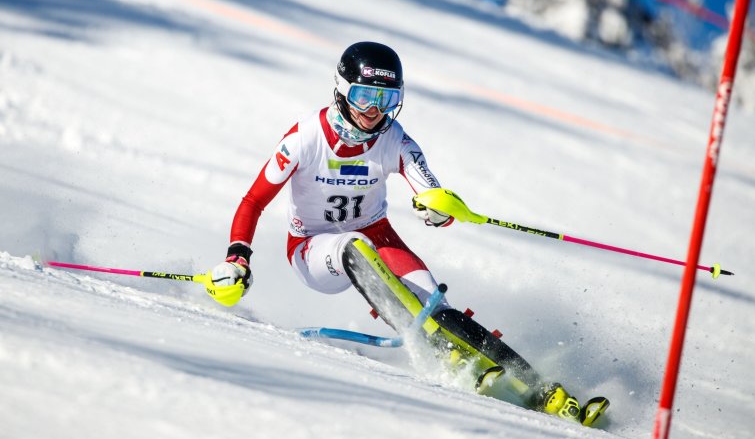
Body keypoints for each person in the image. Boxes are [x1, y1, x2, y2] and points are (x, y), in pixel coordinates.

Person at [205, 41, 607, 426]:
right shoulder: (304, 138)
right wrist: (237, 257)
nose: (374, 111)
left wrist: (440, 209)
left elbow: (430, 191)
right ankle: (439, 350)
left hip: (378, 236)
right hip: (311, 249)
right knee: (354, 245)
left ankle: (541, 389)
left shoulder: (394, 139)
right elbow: (253, 201)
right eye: (365, 96)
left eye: (385, 99)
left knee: (434, 303)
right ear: (343, 91)